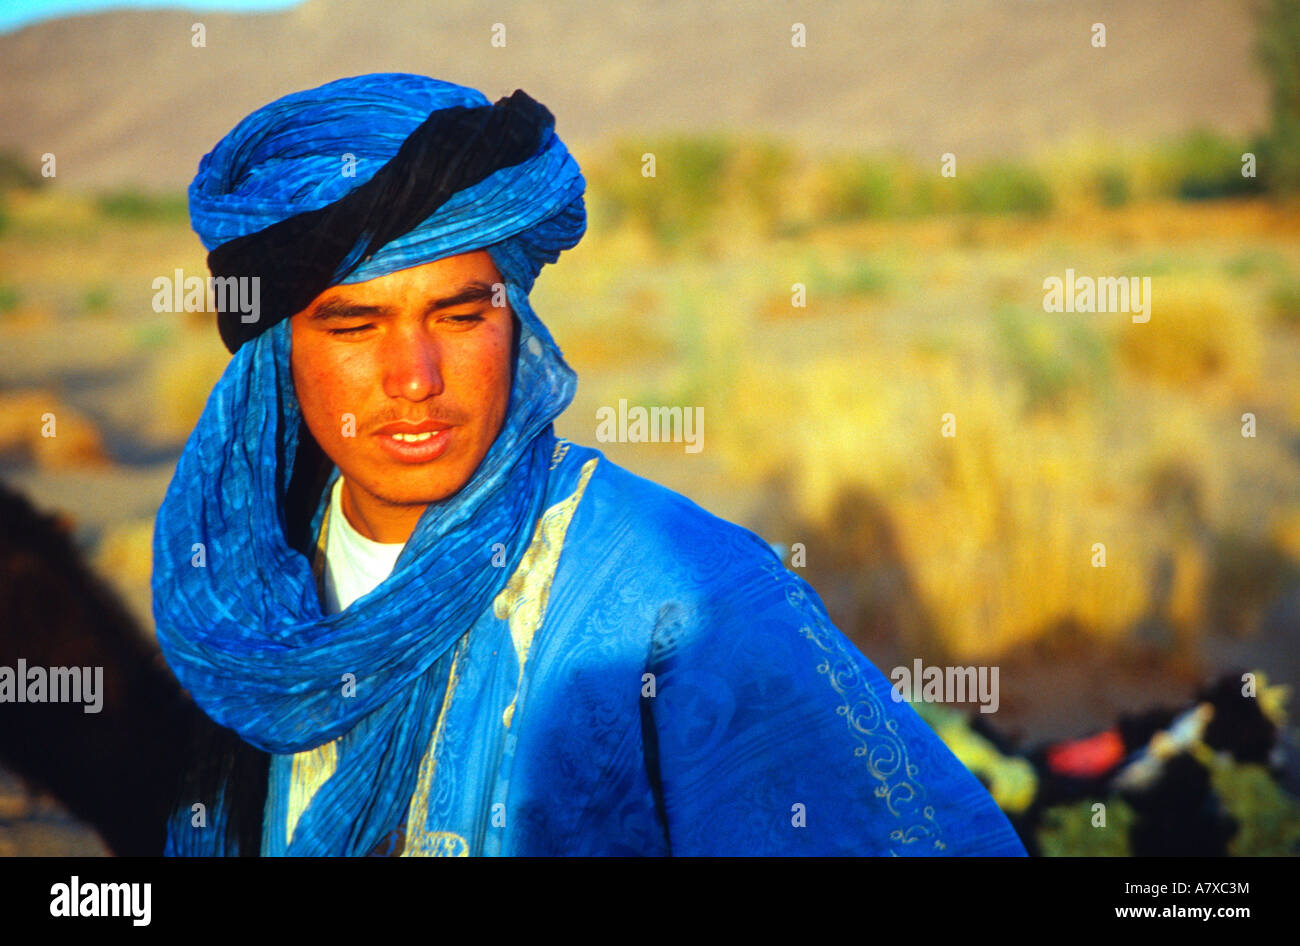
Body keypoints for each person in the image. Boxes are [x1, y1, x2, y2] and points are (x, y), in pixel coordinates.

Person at [151, 72, 1027, 857]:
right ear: (276, 355)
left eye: (460, 319)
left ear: (518, 327)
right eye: (354, 326)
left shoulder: (683, 596)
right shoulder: (241, 612)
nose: (413, 379)